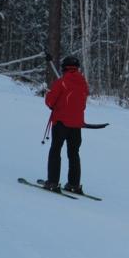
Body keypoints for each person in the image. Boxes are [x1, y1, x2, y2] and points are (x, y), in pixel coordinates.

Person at [43, 56, 88, 194]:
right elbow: (82, 105)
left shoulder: (61, 82)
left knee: (55, 151)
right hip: (77, 125)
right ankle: (74, 184)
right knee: (74, 153)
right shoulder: (83, 84)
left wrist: (48, 95)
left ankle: (53, 182)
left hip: (61, 123)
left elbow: (50, 102)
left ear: (64, 68)